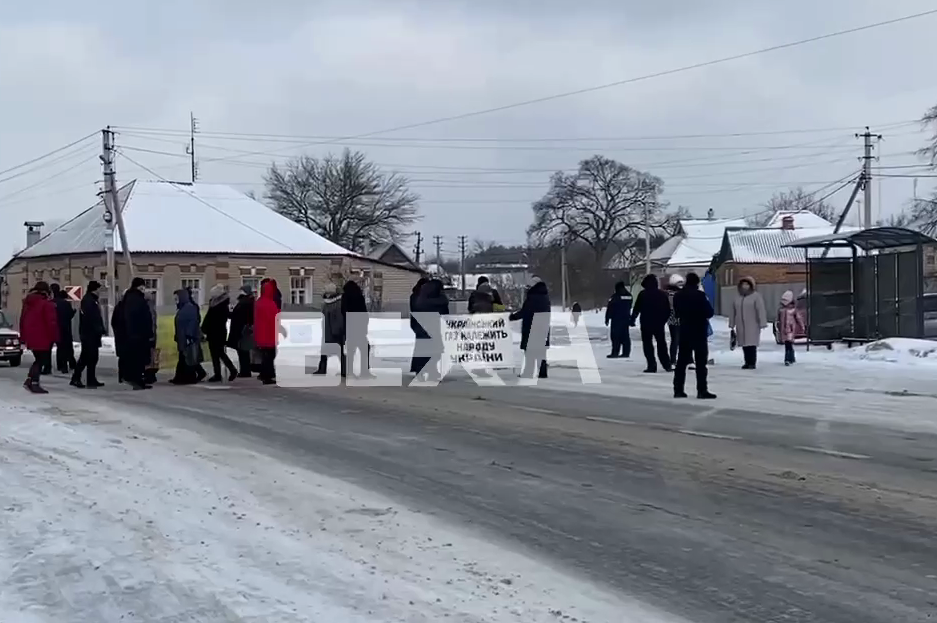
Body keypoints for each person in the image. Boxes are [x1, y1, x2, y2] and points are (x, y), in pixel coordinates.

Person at [672, 272, 716, 400]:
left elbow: (677, 313)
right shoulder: (701, 296)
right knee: (701, 363)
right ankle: (702, 390)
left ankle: (678, 389)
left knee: (681, 362)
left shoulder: (678, 296)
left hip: (685, 331)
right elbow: (709, 312)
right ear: (697, 283)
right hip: (699, 331)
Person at [20, 281, 58, 393]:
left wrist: (23, 337)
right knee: (41, 360)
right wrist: (54, 337)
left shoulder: (27, 303)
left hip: (31, 336)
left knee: (38, 359)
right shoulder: (46, 304)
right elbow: (51, 322)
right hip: (43, 336)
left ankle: (30, 380)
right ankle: (34, 382)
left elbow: (22, 320)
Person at [629, 274, 672, 373]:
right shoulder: (662, 294)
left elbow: (636, 308)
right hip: (658, 324)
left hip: (646, 323)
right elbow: (668, 310)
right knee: (662, 344)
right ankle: (667, 364)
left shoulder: (642, 294)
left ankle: (651, 365)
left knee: (648, 345)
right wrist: (663, 320)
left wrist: (632, 319)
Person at [510, 276, 551, 379]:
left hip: (531, 327)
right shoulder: (546, 297)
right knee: (541, 351)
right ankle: (543, 372)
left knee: (529, 351)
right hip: (543, 326)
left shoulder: (532, 297)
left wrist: (513, 316)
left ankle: (528, 372)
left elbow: (525, 311)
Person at [411, 278, 450, 380]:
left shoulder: (422, 298)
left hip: (427, 327)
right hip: (426, 327)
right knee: (430, 351)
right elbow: (444, 310)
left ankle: (427, 371)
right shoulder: (431, 299)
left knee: (432, 351)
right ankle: (425, 371)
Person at [71, 281, 105, 388]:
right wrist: (98, 328)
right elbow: (92, 318)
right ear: (95, 289)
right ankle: (77, 378)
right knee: (87, 357)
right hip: (89, 334)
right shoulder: (89, 301)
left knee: (91, 357)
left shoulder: (91, 300)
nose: (100, 291)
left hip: (91, 333)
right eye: (99, 289)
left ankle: (90, 379)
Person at [122, 277, 155, 390]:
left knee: (134, 358)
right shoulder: (138, 299)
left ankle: (134, 378)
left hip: (130, 333)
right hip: (139, 334)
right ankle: (137, 380)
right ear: (140, 286)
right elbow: (144, 317)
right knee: (139, 359)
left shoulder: (128, 298)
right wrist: (149, 332)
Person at [201, 284, 238, 382]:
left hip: (218, 331)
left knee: (219, 352)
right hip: (214, 331)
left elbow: (212, 318)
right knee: (216, 353)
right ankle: (219, 373)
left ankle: (230, 370)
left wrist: (204, 328)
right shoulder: (215, 303)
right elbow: (209, 317)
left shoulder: (221, 305)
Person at [729, 276, 767, 369]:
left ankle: (752, 362)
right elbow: (732, 311)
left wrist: (762, 322)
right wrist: (732, 323)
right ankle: (747, 362)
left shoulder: (756, 296)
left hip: (752, 324)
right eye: (743, 284)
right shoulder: (737, 297)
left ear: (751, 285)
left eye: (747, 284)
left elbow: (760, 310)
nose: (745, 286)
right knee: (744, 344)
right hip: (740, 324)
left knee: (751, 344)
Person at [169, 288, 204, 384]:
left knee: (187, 358)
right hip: (182, 337)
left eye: (177, 298)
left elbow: (193, 322)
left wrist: (189, 336)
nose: (175, 300)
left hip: (187, 337)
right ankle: (181, 377)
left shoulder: (189, 308)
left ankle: (187, 378)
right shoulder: (183, 308)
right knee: (183, 358)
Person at [254, 279, 283, 384]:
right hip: (269, 332)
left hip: (261, 333)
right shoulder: (270, 303)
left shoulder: (259, 302)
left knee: (264, 355)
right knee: (270, 355)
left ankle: (264, 374)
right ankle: (267, 375)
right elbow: (274, 318)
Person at [341, 280, 371, 378]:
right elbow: (364, 313)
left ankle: (349, 371)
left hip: (350, 328)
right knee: (365, 349)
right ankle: (365, 371)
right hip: (360, 327)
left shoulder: (345, 298)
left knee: (351, 351)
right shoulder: (359, 297)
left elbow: (343, 312)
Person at [314, 283, 346, 376]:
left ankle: (345, 370)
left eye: (326, 290)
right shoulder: (326, 303)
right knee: (324, 351)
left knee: (340, 351)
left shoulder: (338, 303)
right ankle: (322, 369)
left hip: (336, 331)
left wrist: (338, 330)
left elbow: (339, 318)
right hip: (327, 330)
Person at [227, 285, 255, 377]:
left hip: (242, 329)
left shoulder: (245, 302)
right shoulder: (247, 301)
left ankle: (245, 371)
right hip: (242, 328)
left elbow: (239, 315)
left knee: (243, 351)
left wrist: (230, 314)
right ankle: (245, 370)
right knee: (243, 351)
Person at [50, 284, 76, 374]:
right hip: (65, 328)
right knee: (67, 347)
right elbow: (69, 315)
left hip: (55, 328)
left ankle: (61, 365)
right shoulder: (65, 304)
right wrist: (73, 312)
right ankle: (69, 364)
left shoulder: (51, 303)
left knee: (60, 348)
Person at [605, 282, 633, 358]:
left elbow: (610, 308)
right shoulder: (629, 296)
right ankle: (626, 352)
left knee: (615, 337)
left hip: (616, 319)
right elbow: (630, 305)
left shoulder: (615, 296)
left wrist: (607, 318)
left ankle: (615, 353)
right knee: (625, 336)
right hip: (626, 319)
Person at [777, 290, 805, 366]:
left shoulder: (793, 310)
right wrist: (779, 327)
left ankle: (787, 359)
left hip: (791, 329)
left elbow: (799, 318)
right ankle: (791, 358)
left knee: (788, 344)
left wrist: (802, 327)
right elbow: (779, 320)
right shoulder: (781, 310)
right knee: (788, 344)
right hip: (784, 330)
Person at [665, 274, 687, 366]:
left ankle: (681, 359)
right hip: (674, 319)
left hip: (680, 319)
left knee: (681, 340)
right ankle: (673, 360)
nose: (681, 285)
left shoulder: (681, 293)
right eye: (679, 283)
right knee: (676, 340)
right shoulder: (670, 294)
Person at [408, 277, 429, 374]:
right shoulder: (420, 296)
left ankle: (417, 366)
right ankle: (421, 367)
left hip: (416, 323)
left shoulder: (414, 295)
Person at [112, 292, 128, 383]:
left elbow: (113, 322)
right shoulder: (125, 308)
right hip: (125, 335)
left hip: (120, 336)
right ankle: (125, 375)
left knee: (122, 357)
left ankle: (122, 376)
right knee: (126, 357)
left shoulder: (118, 307)